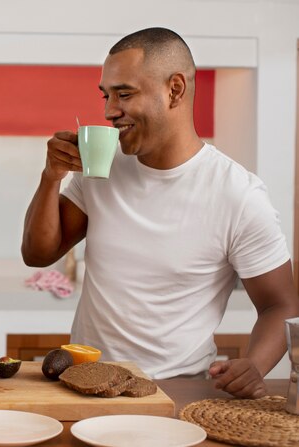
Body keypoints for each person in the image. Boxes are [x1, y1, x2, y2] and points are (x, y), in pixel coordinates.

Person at [22, 27, 299, 398]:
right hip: (84, 382)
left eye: (124, 94)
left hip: (176, 391)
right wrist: (50, 177)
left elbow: (280, 303)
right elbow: (38, 254)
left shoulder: (239, 194)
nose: (109, 111)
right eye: (106, 95)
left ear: (175, 90)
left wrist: (255, 365)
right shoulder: (102, 168)